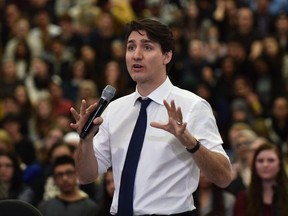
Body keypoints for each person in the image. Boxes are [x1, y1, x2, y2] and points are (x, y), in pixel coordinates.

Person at [70, 18, 232, 215]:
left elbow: (224, 177)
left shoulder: (193, 106)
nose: (136, 55)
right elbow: (86, 176)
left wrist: (190, 142)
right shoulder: (114, 109)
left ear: (167, 55)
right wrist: (85, 141)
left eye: (147, 47)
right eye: (130, 48)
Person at [233, 143, 288, 216]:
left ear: (280, 165)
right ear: (254, 165)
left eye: (271, 160)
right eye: (260, 161)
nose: (265, 165)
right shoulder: (243, 198)